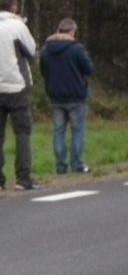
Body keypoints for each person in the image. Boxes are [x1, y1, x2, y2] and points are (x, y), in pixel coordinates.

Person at [0, 0, 40, 190]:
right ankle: (23, 178)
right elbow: (31, 50)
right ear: (14, 8)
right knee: (22, 132)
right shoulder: (18, 27)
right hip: (18, 86)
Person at [40, 18, 95, 174]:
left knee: (58, 132)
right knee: (78, 131)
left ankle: (61, 166)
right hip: (76, 96)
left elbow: (43, 71)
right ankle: (77, 164)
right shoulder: (77, 49)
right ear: (72, 31)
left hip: (56, 96)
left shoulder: (46, 50)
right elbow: (89, 69)